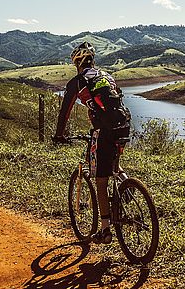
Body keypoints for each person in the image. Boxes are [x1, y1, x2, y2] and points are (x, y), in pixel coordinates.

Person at [53, 42, 131, 244]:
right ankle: (128, 185)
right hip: (123, 125)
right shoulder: (106, 76)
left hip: (104, 131)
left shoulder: (77, 82)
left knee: (101, 180)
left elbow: (64, 113)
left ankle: (105, 231)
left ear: (77, 63)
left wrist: (59, 135)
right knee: (113, 164)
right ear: (92, 61)